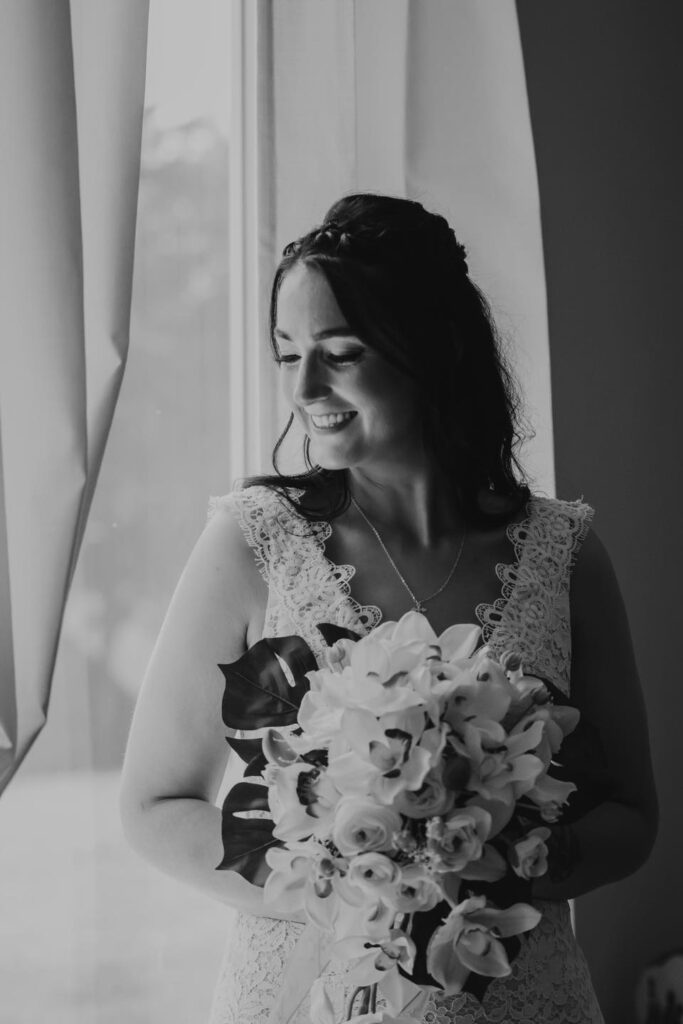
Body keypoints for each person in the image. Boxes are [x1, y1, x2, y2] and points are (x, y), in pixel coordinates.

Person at [119, 193, 658, 1023]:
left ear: (429, 352)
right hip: (307, 996)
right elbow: (154, 805)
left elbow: (631, 812)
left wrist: (504, 854)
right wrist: (340, 882)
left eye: (339, 353)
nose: (303, 386)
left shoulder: (563, 552)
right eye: (286, 352)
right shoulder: (251, 542)